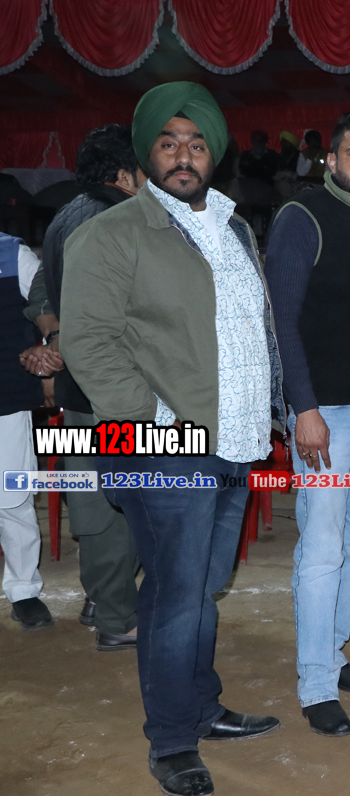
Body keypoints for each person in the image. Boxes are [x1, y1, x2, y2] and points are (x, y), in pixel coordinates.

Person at [60, 81, 284, 796]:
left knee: (199, 589)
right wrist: (154, 420)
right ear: (145, 152)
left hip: (236, 440)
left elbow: (251, 328)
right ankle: (172, 741)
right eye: (168, 143)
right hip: (165, 447)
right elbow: (88, 344)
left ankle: (200, 707)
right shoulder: (111, 234)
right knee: (177, 594)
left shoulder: (233, 227)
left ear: (214, 154)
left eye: (196, 144)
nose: (184, 156)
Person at [265, 110, 350, 735]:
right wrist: (304, 409)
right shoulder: (303, 216)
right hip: (326, 417)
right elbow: (283, 322)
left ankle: (334, 656)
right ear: (332, 160)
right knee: (320, 549)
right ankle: (315, 682)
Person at [25, 125, 145, 650]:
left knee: (96, 501)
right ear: (125, 174)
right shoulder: (120, 219)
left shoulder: (63, 218)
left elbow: (41, 291)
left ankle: (102, 598)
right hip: (117, 392)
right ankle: (117, 617)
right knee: (121, 505)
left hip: (79, 392)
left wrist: (55, 339)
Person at [2, 231, 52, 632]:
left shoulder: (10, 256)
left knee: (12, 497)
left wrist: (51, 358)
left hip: (5, 396)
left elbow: (49, 305)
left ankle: (23, 590)